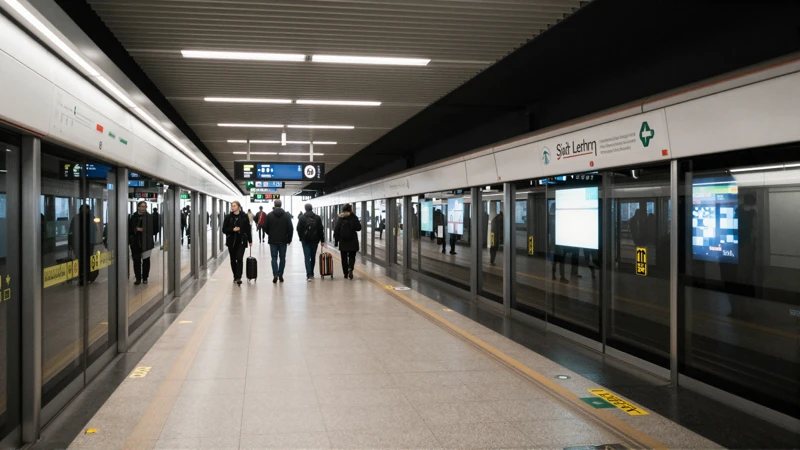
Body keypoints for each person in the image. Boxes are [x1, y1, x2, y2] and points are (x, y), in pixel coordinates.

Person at [222, 200, 252, 285]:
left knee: (239, 258)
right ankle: (235, 275)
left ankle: (238, 277)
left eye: (234, 206)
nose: (232, 207)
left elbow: (248, 229)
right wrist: (232, 230)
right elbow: (224, 229)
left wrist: (250, 240)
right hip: (231, 241)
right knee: (232, 259)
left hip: (241, 240)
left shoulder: (244, 216)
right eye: (232, 206)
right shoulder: (228, 217)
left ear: (239, 207)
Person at [265, 199, 293, 283]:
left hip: (273, 240)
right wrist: (289, 239)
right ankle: (281, 274)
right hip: (283, 240)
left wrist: (270, 234)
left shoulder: (269, 215)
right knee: (282, 257)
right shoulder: (286, 215)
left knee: (274, 257)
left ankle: (275, 274)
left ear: (274, 204)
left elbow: (265, 227)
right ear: (281, 205)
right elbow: (290, 228)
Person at [129, 201, 155, 285]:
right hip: (135, 243)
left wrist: (144, 230)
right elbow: (129, 229)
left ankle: (145, 278)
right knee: (136, 261)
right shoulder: (133, 217)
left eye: (145, 207)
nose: (144, 208)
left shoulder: (149, 217)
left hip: (146, 243)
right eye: (142, 206)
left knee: (146, 261)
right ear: (138, 207)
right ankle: (138, 278)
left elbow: (154, 229)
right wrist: (135, 230)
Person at [297, 203, 325, 281]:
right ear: (312, 208)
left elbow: (298, 229)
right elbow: (320, 229)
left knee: (306, 257)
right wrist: (322, 240)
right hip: (315, 240)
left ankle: (309, 275)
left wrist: (301, 238)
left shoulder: (302, 218)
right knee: (313, 257)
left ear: (305, 209)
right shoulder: (317, 218)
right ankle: (312, 273)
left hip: (305, 240)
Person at [335, 203, 362, 280]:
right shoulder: (353, 217)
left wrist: (336, 241)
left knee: (344, 258)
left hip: (343, 241)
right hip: (352, 240)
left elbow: (337, 229)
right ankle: (350, 268)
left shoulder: (340, 218)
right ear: (350, 209)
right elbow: (359, 228)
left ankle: (345, 274)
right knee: (352, 256)